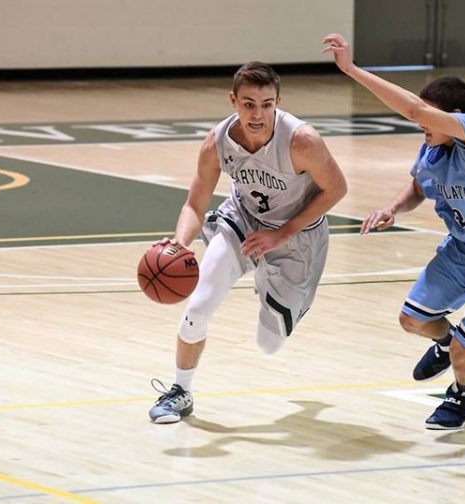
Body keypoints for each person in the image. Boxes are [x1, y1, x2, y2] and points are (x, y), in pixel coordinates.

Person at [323, 34, 465, 430]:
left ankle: (462, 394)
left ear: (454, 118)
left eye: (429, 118)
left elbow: (414, 109)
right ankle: (446, 343)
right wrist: (393, 207)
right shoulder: (432, 149)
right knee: (411, 320)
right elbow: (420, 184)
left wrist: (350, 69)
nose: (419, 124)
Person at [148, 61, 348, 424]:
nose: (258, 114)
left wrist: (281, 234)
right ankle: (180, 390)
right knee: (199, 305)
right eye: (249, 104)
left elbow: (337, 189)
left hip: (297, 236)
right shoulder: (218, 141)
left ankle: (272, 283)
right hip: (241, 221)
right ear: (233, 101)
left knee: (269, 345)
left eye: (267, 104)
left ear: (278, 101)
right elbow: (195, 202)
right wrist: (179, 243)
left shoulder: (302, 141)